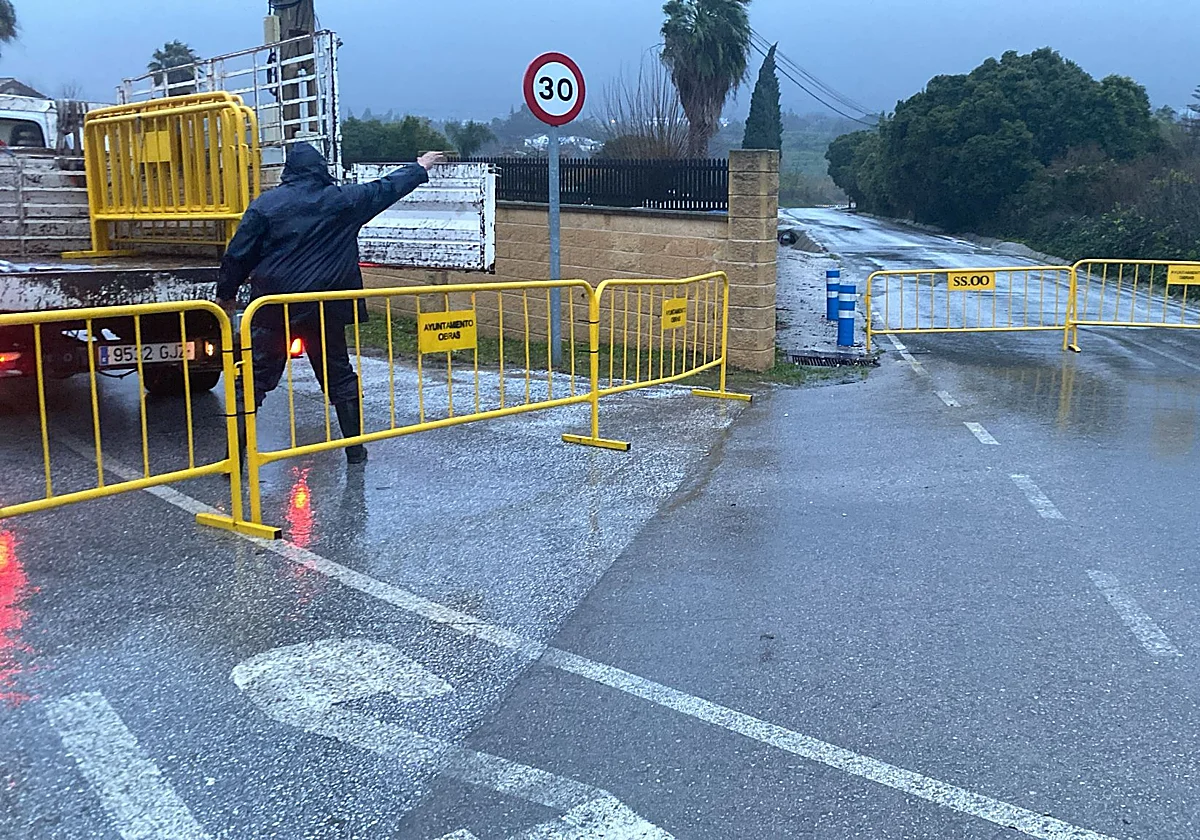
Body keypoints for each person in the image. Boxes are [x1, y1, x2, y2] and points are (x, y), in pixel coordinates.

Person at [217, 142, 445, 464]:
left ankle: (234, 460)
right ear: (321, 168)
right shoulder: (342, 201)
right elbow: (385, 188)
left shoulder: (266, 205)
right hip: (326, 305)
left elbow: (239, 254)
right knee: (338, 376)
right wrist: (420, 167)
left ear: (288, 170)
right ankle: (355, 451)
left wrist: (226, 293)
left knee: (254, 382)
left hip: (274, 306)